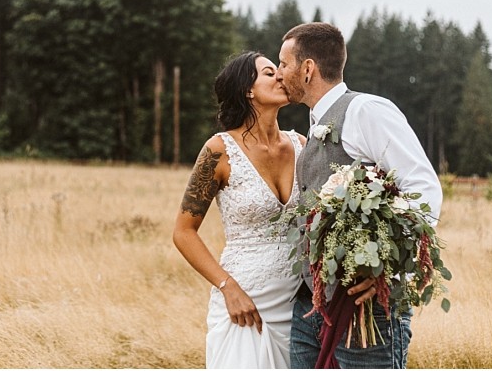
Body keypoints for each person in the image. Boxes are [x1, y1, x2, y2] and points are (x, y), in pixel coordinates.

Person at [275, 22, 443, 369]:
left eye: (284, 63)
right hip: (310, 307)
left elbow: (423, 187)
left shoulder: (365, 110)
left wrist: (385, 267)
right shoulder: (316, 121)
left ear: (307, 69)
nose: (279, 73)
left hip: (367, 312)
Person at [173, 51, 306, 368]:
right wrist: (228, 287)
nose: (280, 76)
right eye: (269, 72)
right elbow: (183, 232)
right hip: (244, 304)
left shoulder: (302, 145)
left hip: (299, 305)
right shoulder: (219, 151)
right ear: (248, 90)